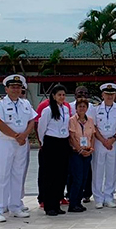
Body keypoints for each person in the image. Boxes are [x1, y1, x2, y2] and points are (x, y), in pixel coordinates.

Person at [0, 74, 35, 222]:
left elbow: (31, 121)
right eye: (12, 87)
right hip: (5, 142)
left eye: (18, 87)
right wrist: (17, 136)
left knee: (18, 174)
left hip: (21, 143)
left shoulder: (25, 104)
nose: (16, 89)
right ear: (6, 89)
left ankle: (15, 206)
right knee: (1, 175)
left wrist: (24, 136)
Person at [37, 85, 72, 216]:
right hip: (51, 142)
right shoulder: (47, 110)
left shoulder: (66, 110)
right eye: (59, 95)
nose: (62, 97)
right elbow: (41, 128)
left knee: (61, 174)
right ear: (53, 96)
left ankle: (57, 203)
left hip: (63, 142)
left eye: (63, 95)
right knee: (49, 175)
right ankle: (49, 205)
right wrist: (43, 142)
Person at [92, 83, 116, 208]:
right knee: (98, 170)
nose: (109, 97)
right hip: (99, 142)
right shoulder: (96, 109)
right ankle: (98, 198)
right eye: (107, 94)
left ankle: (109, 196)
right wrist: (103, 140)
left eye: (112, 94)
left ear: (115, 95)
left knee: (112, 169)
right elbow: (93, 126)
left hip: (114, 142)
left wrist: (113, 139)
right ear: (102, 95)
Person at [67, 98, 95, 212]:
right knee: (77, 179)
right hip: (76, 153)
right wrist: (79, 150)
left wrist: (91, 149)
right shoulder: (72, 120)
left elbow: (92, 136)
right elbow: (72, 138)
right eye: (80, 107)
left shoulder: (90, 121)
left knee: (84, 178)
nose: (82, 109)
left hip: (87, 152)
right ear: (76, 108)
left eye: (84, 107)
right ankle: (72, 203)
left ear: (87, 108)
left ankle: (79, 202)